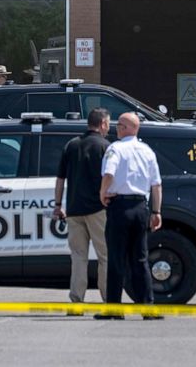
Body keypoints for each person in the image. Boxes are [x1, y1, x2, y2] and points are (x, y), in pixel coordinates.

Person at [95, 112, 162, 320]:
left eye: (119, 125)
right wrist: (156, 211)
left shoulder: (115, 149)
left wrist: (102, 192)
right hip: (141, 206)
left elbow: (109, 174)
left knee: (116, 259)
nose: (116, 129)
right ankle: (148, 308)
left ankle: (114, 310)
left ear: (124, 128)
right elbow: (156, 184)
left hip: (120, 207)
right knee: (140, 259)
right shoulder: (147, 151)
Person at [53, 107, 110, 309]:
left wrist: (58, 205)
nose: (108, 128)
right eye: (108, 124)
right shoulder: (105, 147)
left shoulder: (72, 145)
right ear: (102, 123)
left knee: (78, 257)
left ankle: (77, 300)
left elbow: (60, 179)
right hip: (98, 209)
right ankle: (108, 300)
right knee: (105, 256)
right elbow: (109, 179)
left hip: (74, 210)